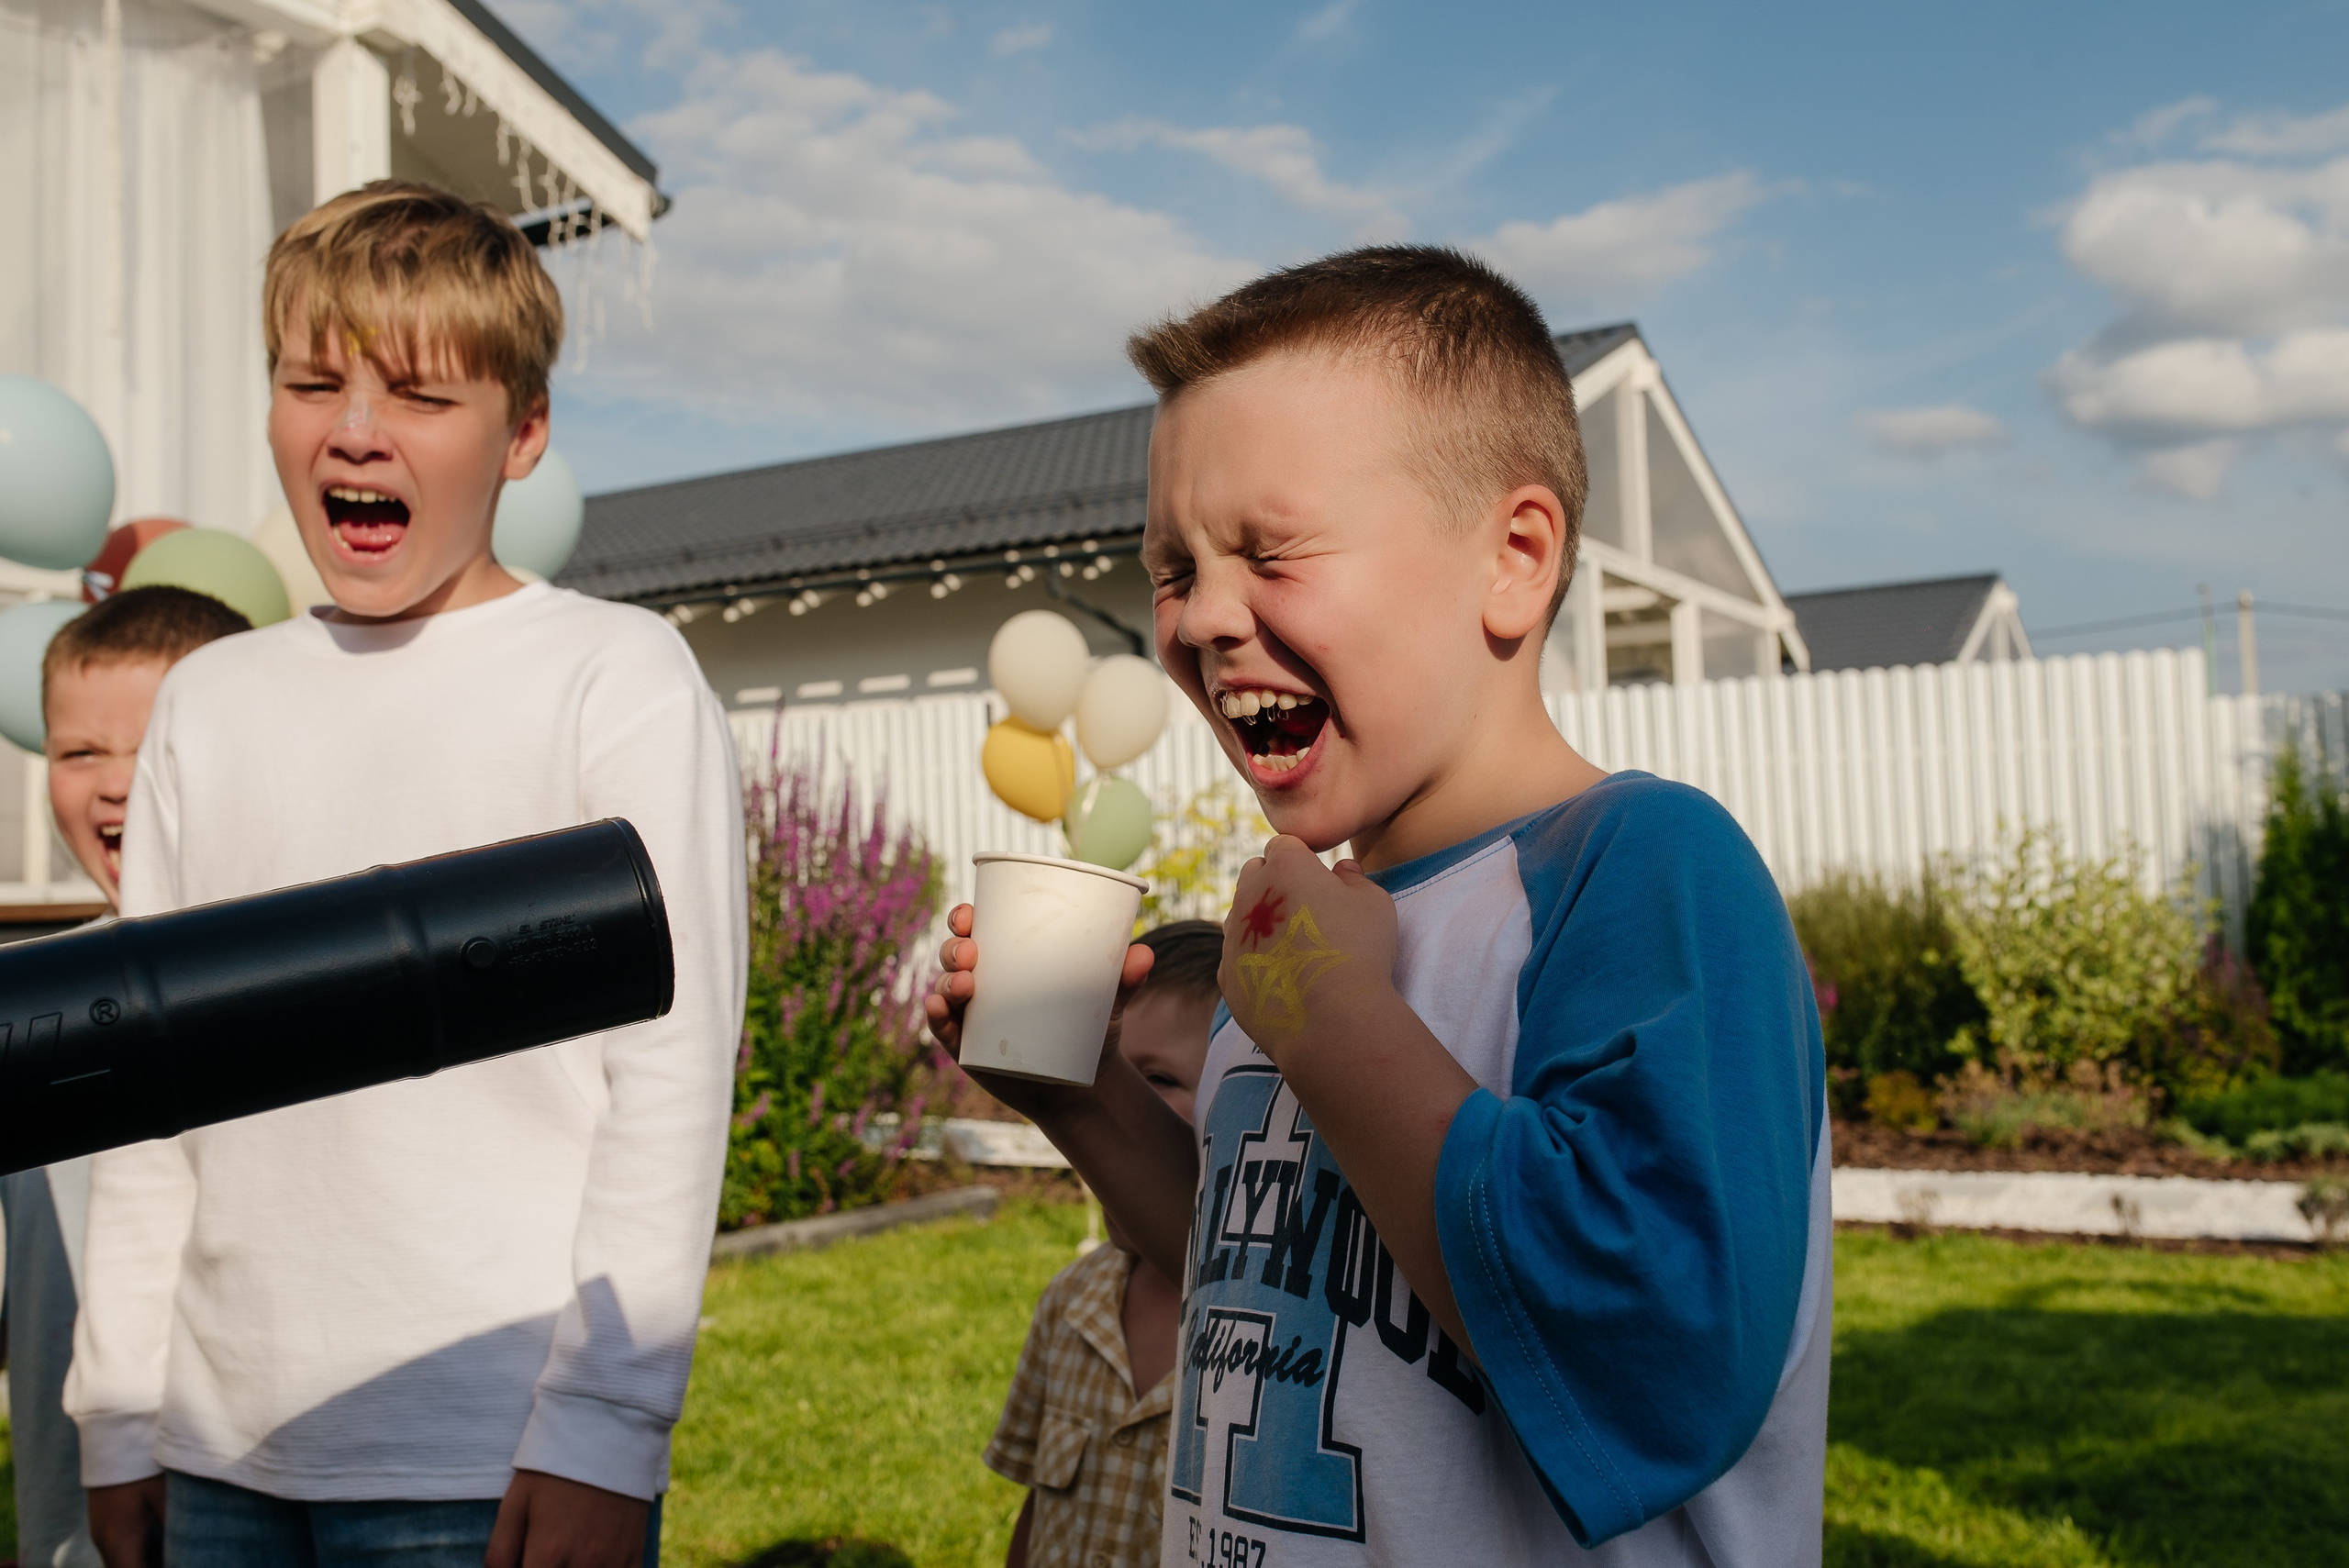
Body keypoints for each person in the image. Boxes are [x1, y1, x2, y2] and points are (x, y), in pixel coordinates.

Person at [929, 247, 1830, 1566]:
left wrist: (1328, 1016)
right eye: (1172, 567)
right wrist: (1082, 1097)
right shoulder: (1307, 937)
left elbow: (1655, 1345)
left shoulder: (1637, 868)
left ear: (1514, 559)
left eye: (1271, 551)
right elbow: (1265, 1274)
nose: (1202, 618)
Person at [64, 181, 748, 1568]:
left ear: (524, 432)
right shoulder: (209, 698)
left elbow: (669, 1074)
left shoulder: (614, 676)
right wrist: (120, 1408)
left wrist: (605, 1428)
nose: (357, 429)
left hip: (487, 1456)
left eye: (423, 397)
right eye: (314, 382)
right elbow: (149, 1086)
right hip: (216, 1449)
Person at [2, 586, 250, 1568]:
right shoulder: (29, 1004)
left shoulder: (308, 986)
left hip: (256, 1502)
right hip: (76, 1529)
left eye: (149, 747)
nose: (113, 786)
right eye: (79, 753)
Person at [986, 920, 1222, 1568]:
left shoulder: (1264, 1338)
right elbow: (1037, 1507)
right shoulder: (1071, 1301)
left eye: (1161, 1079)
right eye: (1102, 1075)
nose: (1112, 1105)